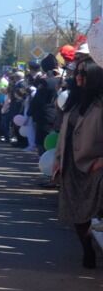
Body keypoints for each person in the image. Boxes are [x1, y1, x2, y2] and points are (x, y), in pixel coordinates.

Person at [52, 59, 103, 269]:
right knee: (76, 212)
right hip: (71, 165)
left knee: (97, 209)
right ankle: (87, 248)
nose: (79, 77)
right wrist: (57, 160)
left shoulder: (100, 103)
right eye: (78, 73)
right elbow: (64, 134)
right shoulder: (72, 101)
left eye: (84, 74)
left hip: (94, 165)